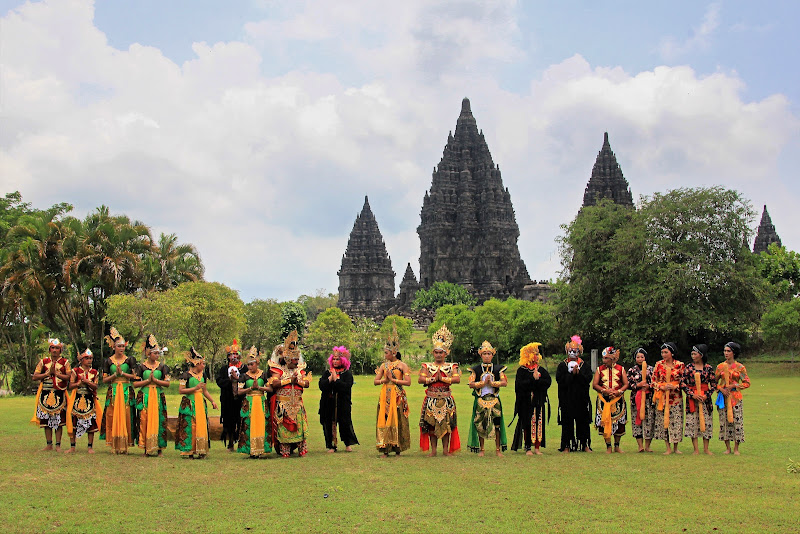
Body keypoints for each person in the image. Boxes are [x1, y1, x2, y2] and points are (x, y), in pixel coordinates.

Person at [418, 324, 460, 456]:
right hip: (431, 398)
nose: (438, 355)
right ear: (433, 353)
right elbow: (420, 379)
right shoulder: (427, 365)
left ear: (445, 353)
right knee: (431, 424)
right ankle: (434, 450)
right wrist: (432, 380)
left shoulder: (451, 366)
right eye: (436, 352)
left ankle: (446, 450)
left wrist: (442, 379)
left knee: (447, 424)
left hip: (446, 398)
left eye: (440, 352)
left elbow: (457, 379)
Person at [268, 330, 312, 458]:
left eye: (297, 360)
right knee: (284, 427)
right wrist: (288, 380)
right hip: (283, 404)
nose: (296, 362)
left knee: (299, 427)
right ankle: (285, 450)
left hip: (297, 404)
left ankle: (301, 449)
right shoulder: (278, 370)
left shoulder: (299, 370)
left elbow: (307, 383)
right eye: (294, 360)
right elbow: (274, 384)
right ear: (287, 359)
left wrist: (297, 381)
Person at [374, 322, 411, 457]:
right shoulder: (383, 366)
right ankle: (385, 447)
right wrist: (384, 380)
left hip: (397, 394)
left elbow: (408, 382)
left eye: (386, 352)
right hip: (385, 394)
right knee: (384, 418)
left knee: (398, 419)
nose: (385, 355)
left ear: (394, 353)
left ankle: (397, 447)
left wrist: (393, 379)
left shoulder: (402, 365)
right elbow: (375, 381)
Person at [99, 327, 138, 454]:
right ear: (113, 347)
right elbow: (104, 380)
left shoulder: (130, 360)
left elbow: (135, 376)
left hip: (126, 389)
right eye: (119, 346)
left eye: (123, 346)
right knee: (112, 414)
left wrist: (123, 374)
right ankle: (113, 443)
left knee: (127, 415)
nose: (121, 348)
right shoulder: (108, 361)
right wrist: (115, 375)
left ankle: (126, 443)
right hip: (114, 389)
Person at [467, 340, 508, 457]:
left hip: (494, 399)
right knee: (480, 424)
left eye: (489, 354)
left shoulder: (498, 369)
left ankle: (497, 449)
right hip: (481, 400)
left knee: (497, 424)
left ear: (492, 355)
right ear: (481, 355)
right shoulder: (475, 369)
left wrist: (493, 383)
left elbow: (504, 382)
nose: (486, 356)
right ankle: (482, 449)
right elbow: (471, 384)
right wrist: (483, 383)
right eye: (484, 354)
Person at [175, 347, 218, 459]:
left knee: (201, 425)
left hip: (200, 403)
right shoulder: (186, 375)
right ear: (196, 364)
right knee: (191, 426)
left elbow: (205, 391)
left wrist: (212, 401)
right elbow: (181, 390)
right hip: (190, 403)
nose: (203, 366)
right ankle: (190, 450)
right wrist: (195, 388)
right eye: (202, 364)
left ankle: (201, 449)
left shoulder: (203, 375)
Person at [31, 338, 71, 451]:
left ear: (60, 350)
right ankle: (49, 444)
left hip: (59, 392)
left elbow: (68, 377)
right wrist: (48, 373)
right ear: (50, 349)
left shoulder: (65, 363)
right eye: (53, 348)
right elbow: (35, 376)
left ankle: (58, 445)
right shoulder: (43, 362)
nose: (54, 350)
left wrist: (56, 374)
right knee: (47, 419)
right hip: (46, 393)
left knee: (59, 420)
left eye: (57, 348)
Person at [133, 334, 170, 457]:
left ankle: (159, 449)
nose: (157, 355)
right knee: (144, 420)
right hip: (145, 396)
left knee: (160, 420)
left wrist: (156, 381)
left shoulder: (162, 367)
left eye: (158, 353)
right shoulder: (141, 367)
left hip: (158, 395)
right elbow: (135, 383)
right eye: (154, 353)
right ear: (149, 354)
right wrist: (148, 381)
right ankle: (146, 447)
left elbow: (167, 383)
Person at [511, 342, 551, 455]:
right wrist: (532, 380)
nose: (537, 356)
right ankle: (528, 447)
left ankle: (537, 447)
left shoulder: (541, 370)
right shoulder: (522, 370)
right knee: (527, 424)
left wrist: (538, 380)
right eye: (535, 354)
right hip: (526, 403)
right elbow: (519, 386)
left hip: (538, 402)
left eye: (538, 354)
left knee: (539, 423)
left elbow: (548, 382)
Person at [319, 346, 359, 453]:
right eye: (334, 359)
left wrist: (336, 381)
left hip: (342, 403)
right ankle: (332, 445)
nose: (335, 361)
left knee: (345, 423)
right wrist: (329, 379)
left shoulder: (347, 374)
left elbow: (346, 387)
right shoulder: (328, 373)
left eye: (338, 359)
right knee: (329, 424)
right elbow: (322, 386)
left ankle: (347, 443)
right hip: (328, 403)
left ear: (343, 360)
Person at [556, 335, 593, 452]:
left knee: (583, 422)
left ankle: (585, 444)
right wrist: (571, 375)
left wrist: (578, 374)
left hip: (581, 399)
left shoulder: (584, 365)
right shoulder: (562, 365)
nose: (572, 353)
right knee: (567, 422)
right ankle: (566, 445)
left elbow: (587, 380)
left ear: (579, 352)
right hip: (567, 399)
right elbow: (560, 381)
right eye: (570, 351)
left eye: (575, 351)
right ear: (567, 351)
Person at [235, 346, 272, 458]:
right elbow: (239, 391)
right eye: (249, 365)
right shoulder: (244, 376)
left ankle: (261, 449)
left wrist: (260, 388)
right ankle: (251, 449)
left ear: (257, 363)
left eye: (252, 364)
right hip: (250, 402)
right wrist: (250, 389)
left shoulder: (264, 375)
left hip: (260, 401)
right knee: (249, 425)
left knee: (261, 424)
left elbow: (270, 389)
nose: (250, 367)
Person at [715, 342, 750, 455]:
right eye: (725, 351)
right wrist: (721, 389)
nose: (726, 353)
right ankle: (727, 447)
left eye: (728, 351)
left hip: (735, 398)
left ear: (734, 352)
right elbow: (713, 383)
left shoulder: (740, 367)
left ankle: (736, 448)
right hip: (723, 398)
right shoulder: (720, 367)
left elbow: (747, 383)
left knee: (737, 421)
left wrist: (735, 385)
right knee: (724, 422)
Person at [592, 346, 629, 453]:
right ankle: (608, 446)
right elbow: (595, 385)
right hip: (604, 400)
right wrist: (605, 391)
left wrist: (618, 392)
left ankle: (617, 445)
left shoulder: (621, 369)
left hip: (617, 400)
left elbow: (626, 384)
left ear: (613, 358)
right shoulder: (599, 369)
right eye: (603, 358)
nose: (604, 361)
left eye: (606, 358)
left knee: (619, 424)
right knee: (605, 422)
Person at [64, 348, 99, 454]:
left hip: (89, 399)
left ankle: (90, 447)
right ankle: (72, 446)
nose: (89, 360)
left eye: (90, 358)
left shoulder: (94, 372)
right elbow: (70, 386)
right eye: (87, 358)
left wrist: (87, 382)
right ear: (82, 360)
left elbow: (96, 386)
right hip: (77, 398)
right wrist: (78, 384)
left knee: (91, 423)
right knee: (74, 422)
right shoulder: (75, 371)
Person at [682, 344, 715, 455]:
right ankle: (695, 449)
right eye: (692, 354)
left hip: (705, 400)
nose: (693, 356)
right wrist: (692, 395)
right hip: (693, 399)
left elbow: (714, 385)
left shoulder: (708, 368)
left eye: (695, 354)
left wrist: (706, 395)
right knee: (693, 423)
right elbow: (683, 383)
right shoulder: (689, 368)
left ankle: (706, 448)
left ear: (701, 355)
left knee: (706, 422)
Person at [652, 342, 685, 455]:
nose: (664, 354)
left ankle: (676, 447)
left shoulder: (680, 365)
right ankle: (668, 447)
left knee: (676, 421)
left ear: (672, 352)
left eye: (666, 352)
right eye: (662, 352)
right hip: (662, 398)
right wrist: (662, 386)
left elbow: (684, 382)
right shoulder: (659, 364)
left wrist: (675, 386)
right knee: (664, 421)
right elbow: (653, 381)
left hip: (675, 398)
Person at [216, 339, 245, 452]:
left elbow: (246, 380)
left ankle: (242, 442)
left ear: (239, 356)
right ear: (228, 356)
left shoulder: (244, 368)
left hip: (241, 399)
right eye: (231, 354)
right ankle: (230, 443)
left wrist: (238, 379)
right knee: (229, 421)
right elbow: (220, 382)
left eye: (236, 354)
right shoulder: (224, 369)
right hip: (228, 399)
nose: (234, 356)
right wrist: (229, 380)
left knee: (241, 420)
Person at [627, 348, 655, 452]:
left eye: (642, 357)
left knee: (649, 420)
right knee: (637, 421)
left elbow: (656, 381)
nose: (640, 359)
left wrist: (649, 386)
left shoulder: (651, 369)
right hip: (636, 399)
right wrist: (637, 385)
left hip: (649, 399)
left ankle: (647, 446)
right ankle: (640, 446)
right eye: (638, 357)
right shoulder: (632, 370)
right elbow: (628, 384)